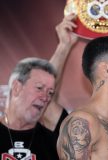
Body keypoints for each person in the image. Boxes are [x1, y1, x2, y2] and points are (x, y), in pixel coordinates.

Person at [0, 14, 77, 160]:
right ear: (16, 87)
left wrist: (64, 46)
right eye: (39, 88)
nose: (45, 97)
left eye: (50, 93)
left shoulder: (53, 139)